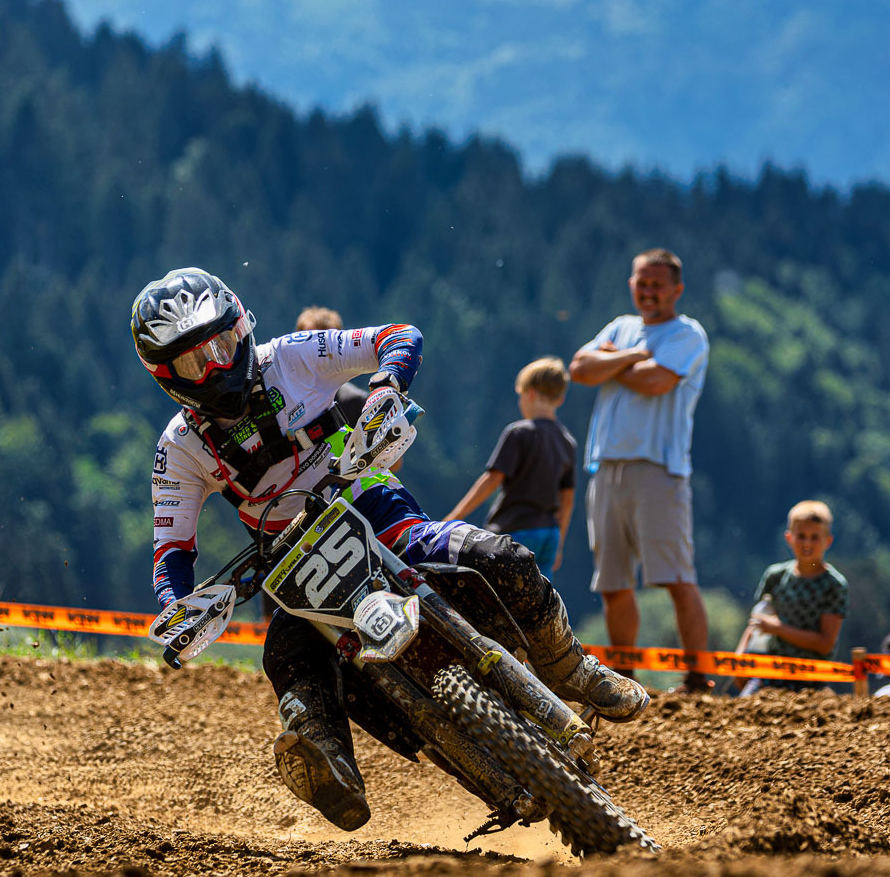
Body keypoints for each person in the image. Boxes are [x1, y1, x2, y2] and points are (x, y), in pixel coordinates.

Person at [135, 268, 649, 832]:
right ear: (168, 378)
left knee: (501, 557)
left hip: (376, 508)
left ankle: (570, 666)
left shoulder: (291, 357)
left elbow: (399, 335)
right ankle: (327, 764)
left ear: (242, 328)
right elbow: (171, 547)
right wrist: (177, 606)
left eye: (221, 346)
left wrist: (385, 388)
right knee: (286, 655)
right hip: (291, 565)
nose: (215, 366)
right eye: (194, 363)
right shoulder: (178, 448)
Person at [569, 248, 710, 692]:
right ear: (631, 284)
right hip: (606, 467)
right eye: (641, 283)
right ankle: (625, 678)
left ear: (677, 290)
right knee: (612, 582)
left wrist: (613, 362)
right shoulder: (621, 326)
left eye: (657, 285)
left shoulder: (688, 334)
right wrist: (634, 356)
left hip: (659, 469)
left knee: (676, 577)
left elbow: (656, 383)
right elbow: (579, 370)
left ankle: (697, 677)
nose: (648, 292)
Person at [443, 357, 577, 580]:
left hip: (515, 530)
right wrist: (560, 542)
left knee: (498, 591)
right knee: (537, 596)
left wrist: (454, 518)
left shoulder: (519, 433)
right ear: (560, 398)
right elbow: (568, 499)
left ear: (530, 394)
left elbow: (492, 480)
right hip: (549, 534)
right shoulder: (567, 441)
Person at [735, 500, 849, 694]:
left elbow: (825, 643)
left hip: (811, 683)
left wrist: (778, 629)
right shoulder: (775, 576)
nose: (807, 544)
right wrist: (739, 659)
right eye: (801, 536)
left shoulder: (834, 585)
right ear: (789, 538)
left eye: (815, 537)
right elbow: (758, 622)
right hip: (768, 676)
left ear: (828, 541)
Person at [294, 306, 368, 425]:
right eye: (308, 344)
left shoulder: (356, 403)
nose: (316, 352)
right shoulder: (282, 395)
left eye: (323, 346)